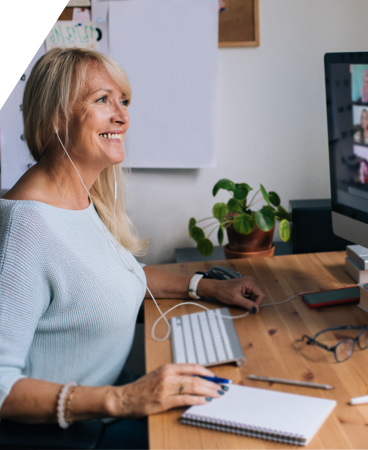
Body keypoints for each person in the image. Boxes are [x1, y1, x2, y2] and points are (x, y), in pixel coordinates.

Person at [0, 47, 266, 448]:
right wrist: (122, 398)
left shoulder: (79, 199)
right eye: (102, 99)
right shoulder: (26, 227)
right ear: (56, 115)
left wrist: (207, 287)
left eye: (123, 101)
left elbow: (117, 278)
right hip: (70, 434)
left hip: (105, 409)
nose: (122, 116)